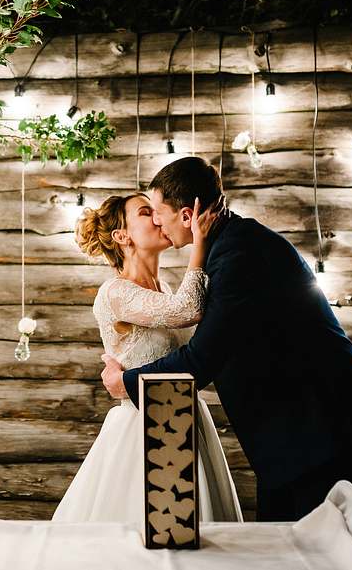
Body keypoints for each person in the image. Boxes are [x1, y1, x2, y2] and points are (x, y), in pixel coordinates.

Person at [101, 156, 352, 522]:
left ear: (187, 216)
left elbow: (201, 360)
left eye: (158, 212)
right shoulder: (229, 246)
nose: (156, 221)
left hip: (323, 429)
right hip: (295, 432)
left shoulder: (239, 255)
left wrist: (125, 382)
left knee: (320, 546)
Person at [52, 191, 242, 527]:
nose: (157, 217)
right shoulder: (115, 292)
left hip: (185, 416)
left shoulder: (165, 289)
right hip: (142, 427)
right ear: (122, 236)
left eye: (156, 210)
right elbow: (187, 309)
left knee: (190, 529)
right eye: (145, 212)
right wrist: (199, 241)